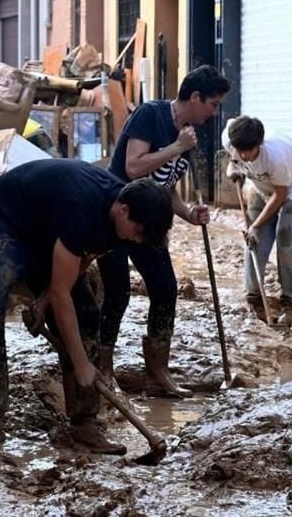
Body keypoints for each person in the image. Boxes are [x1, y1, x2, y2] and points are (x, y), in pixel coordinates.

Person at [0, 159, 173, 453]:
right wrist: (81, 363)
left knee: (86, 314)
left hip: (52, 233)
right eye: (139, 232)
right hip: (4, 220)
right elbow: (62, 292)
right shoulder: (84, 209)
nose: (138, 240)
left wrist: (42, 302)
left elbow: (83, 258)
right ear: (123, 210)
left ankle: (84, 423)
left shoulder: (123, 222)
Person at [96, 65, 231, 397]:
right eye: (213, 104)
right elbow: (133, 167)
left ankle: (158, 372)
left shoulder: (189, 133)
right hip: (120, 216)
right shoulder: (151, 115)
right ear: (195, 97)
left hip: (151, 221)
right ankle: (103, 370)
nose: (214, 113)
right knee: (117, 292)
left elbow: (165, 185)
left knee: (166, 288)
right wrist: (176, 147)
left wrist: (188, 213)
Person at [223, 116, 292, 325]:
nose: (243, 155)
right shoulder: (231, 139)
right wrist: (233, 166)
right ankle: (254, 298)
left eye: (248, 151)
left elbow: (280, 195)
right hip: (261, 188)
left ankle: (291, 301)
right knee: (254, 244)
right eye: (239, 151)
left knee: (287, 246)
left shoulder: (276, 156)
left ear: (259, 144)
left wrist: (255, 225)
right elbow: (231, 127)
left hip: (291, 191)